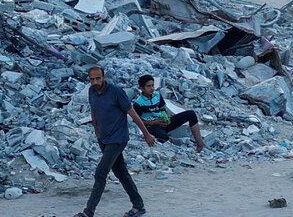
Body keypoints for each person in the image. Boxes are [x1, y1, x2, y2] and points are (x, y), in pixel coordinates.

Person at [75, 66, 155, 217]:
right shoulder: (92, 91)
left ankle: (88, 212)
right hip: (104, 138)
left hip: (118, 139)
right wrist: (97, 131)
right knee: (121, 173)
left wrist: (146, 134)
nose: (95, 82)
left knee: (101, 173)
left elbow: (132, 113)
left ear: (104, 77)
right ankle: (138, 206)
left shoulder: (116, 92)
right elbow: (93, 110)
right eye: (92, 79)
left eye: (98, 78)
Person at [133, 74, 207, 152]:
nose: (152, 88)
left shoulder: (157, 95)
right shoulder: (138, 103)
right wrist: (153, 122)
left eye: (152, 85)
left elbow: (163, 109)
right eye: (148, 86)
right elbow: (136, 121)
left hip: (162, 122)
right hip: (151, 127)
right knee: (164, 137)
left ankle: (200, 144)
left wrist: (167, 117)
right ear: (142, 88)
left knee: (191, 114)